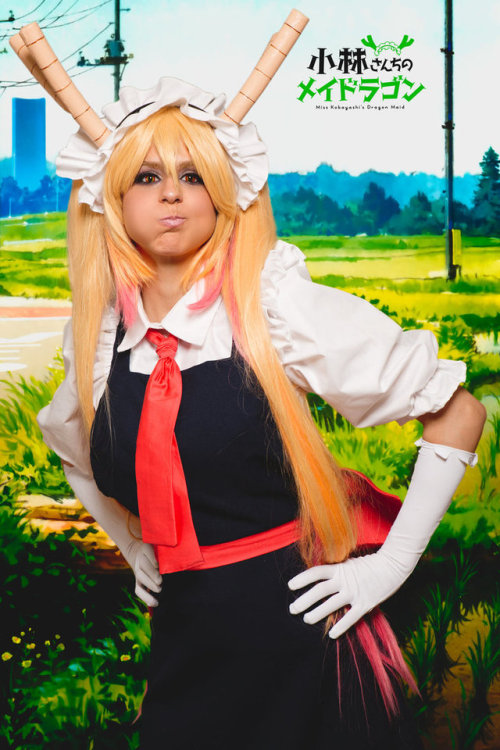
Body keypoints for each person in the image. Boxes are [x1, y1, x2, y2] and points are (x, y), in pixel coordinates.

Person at [37, 77, 486, 749]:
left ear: (223, 193)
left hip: (305, 643)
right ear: (112, 198)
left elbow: (459, 412)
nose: (171, 194)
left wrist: (391, 565)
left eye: (193, 175)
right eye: (147, 176)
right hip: (188, 646)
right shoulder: (101, 341)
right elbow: (78, 453)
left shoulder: (275, 311)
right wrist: (135, 546)